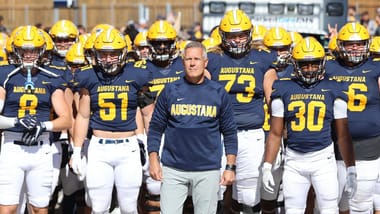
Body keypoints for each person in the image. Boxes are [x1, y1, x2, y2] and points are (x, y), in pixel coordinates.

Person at [262, 37, 357, 213]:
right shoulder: (283, 88)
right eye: (305, 64)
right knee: (293, 210)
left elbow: (343, 134)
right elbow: (275, 133)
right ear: (295, 65)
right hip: (294, 160)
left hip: (323, 159)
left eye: (314, 63)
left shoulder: (333, 88)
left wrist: (351, 167)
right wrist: (267, 165)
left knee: (329, 209)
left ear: (322, 63)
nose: (310, 68)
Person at [70, 27, 154, 214]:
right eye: (103, 54)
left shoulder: (136, 75)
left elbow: (148, 113)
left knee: (129, 207)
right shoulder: (89, 76)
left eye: (113, 54)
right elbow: (82, 116)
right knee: (99, 208)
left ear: (123, 53)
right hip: (99, 148)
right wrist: (76, 150)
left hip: (129, 146)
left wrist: (151, 146)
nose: (108, 59)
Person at [147, 41, 238, 214]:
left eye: (197, 58)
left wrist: (230, 166)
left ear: (205, 62)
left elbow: (229, 132)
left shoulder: (218, 92)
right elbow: (156, 127)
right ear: (183, 63)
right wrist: (153, 159)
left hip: (207, 169)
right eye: (188, 59)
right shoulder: (170, 90)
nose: (192, 63)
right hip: (173, 168)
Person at [206, 9, 276, 213]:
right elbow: (201, 95)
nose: (237, 40)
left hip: (251, 133)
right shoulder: (213, 58)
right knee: (215, 189)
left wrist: (278, 136)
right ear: (222, 36)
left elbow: (273, 100)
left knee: (248, 193)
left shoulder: (263, 58)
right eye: (232, 36)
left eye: (241, 35)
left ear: (249, 34)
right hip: (218, 132)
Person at [0, 25, 72, 214]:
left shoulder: (51, 77)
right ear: (15, 50)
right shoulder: (5, 75)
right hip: (11, 147)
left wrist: (44, 125)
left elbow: (66, 120)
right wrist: (15, 122)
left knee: (39, 208)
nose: (29, 55)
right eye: (24, 50)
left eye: (33, 50)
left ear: (41, 51)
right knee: (8, 208)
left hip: (41, 149)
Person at [326, 22, 380, 214]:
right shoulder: (328, 67)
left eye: (359, 43)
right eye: (350, 43)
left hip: (368, 144)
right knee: (332, 201)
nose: (355, 47)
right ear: (340, 45)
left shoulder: (376, 68)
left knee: (362, 202)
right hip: (333, 145)